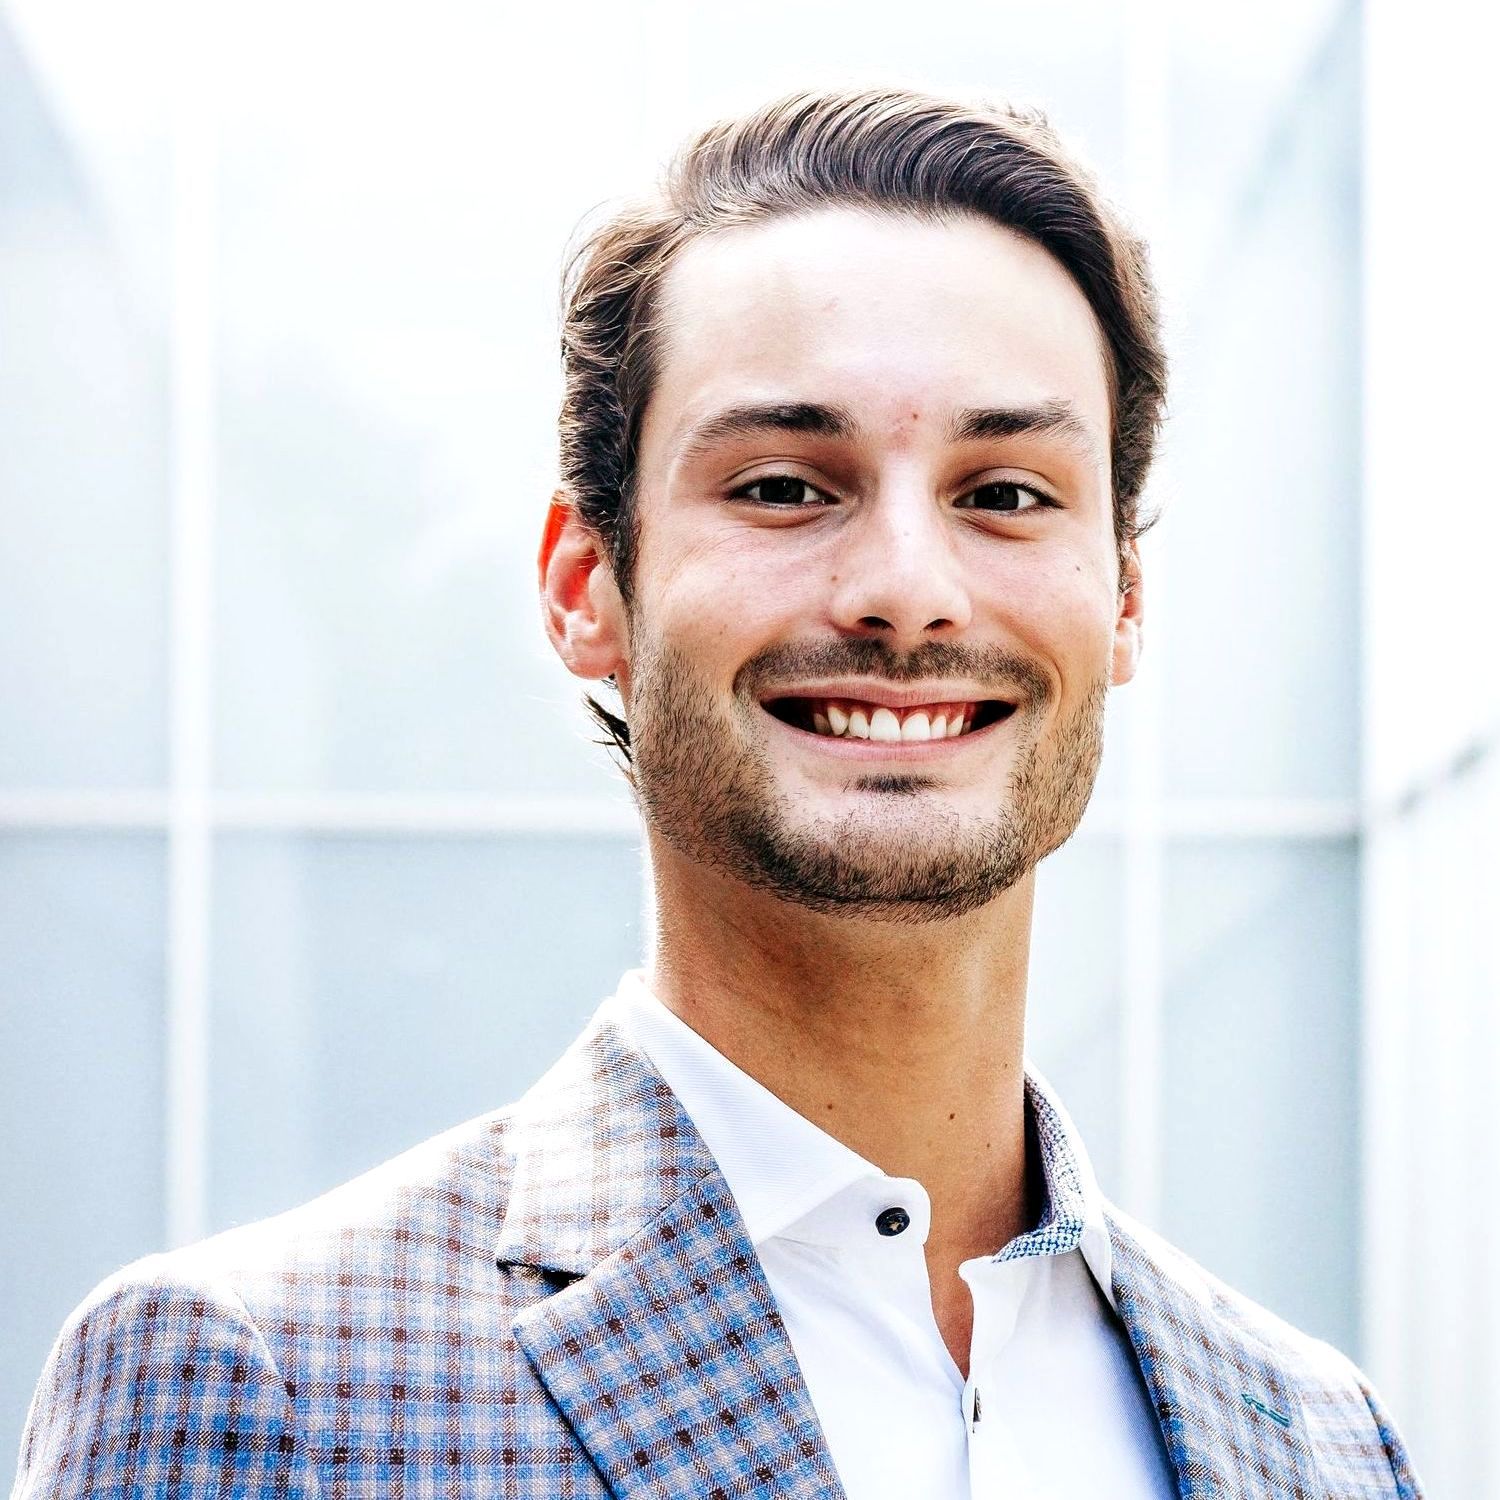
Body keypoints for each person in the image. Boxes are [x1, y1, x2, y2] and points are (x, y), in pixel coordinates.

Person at [12, 87, 1421, 1500]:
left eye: (1005, 493)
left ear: (1121, 600)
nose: (906, 592)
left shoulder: (1322, 1442)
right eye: (784, 486)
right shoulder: (265, 1381)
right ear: (587, 590)